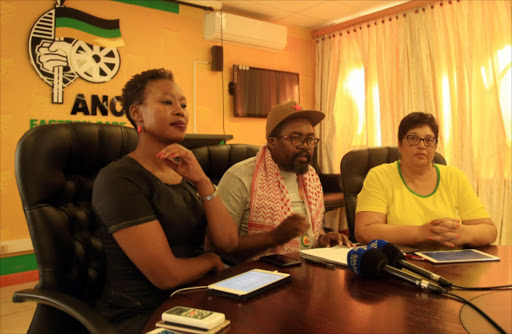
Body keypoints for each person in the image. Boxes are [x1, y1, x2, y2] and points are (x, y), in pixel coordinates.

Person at [92, 68, 238, 333]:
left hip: (196, 298)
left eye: (183, 104)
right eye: (167, 102)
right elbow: (165, 275)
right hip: (145, 314)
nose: (180, 110)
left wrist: (202, 181)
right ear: (137, 113)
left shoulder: (184, 175)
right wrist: (210, 261)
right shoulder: (119, 179)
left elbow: (228, 242)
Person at [217, 101, 354, 263]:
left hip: (304, 270)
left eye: (310, 139)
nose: (306, 146)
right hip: (256, 274)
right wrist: (274, 237)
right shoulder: (239, 178)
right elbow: (221, 248)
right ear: (272, 142)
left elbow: (309, 233)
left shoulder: (310, 176)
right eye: (296, 138)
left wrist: (322, 238)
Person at [355, 112, 497, 249]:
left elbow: (489, 231)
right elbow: (364, 232)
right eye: (413, 138)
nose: (422, 145)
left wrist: (461, 233)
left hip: (453, 264)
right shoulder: (380, 176)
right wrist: (420, 233)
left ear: (435, 146)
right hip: (402, 265)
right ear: (399, 144)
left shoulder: (455, 177)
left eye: (429, 140)